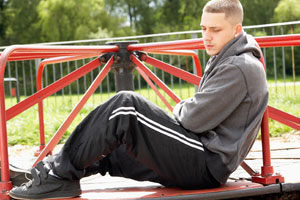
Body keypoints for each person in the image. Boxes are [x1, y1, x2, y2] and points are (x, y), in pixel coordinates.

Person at [10, 0, 268, 199]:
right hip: (201, 153)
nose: (207, 36)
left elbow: (192, 118)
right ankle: (50, 174)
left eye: (215, 29)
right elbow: (199, 114)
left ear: (237, 30)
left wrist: (180, 108)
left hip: (207, 162)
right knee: (113, 148)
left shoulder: (239, 66)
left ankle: (55, 174)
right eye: (203, 28)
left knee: (126, 106)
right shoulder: (229, 56)